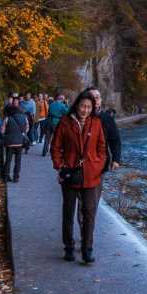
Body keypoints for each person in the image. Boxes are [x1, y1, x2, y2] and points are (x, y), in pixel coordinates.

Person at [50, 93, 106, 264]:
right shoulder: (65, 123)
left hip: (90, 174)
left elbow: (101, 146)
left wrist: (98, 164)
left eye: (89, 108)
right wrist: (60, 165)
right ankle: (68, 246)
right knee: (68, 212)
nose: (85, 110)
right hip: (70, 172)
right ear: (76, 105)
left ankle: (87, 249)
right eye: (83, 106)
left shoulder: (95, 123)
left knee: (89, 212)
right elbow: (55, 146)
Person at [77, 88, 121, 228]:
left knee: (93, 199)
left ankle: (88, 228)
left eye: (98, 97)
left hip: (99, 166)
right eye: (93, 97)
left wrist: (116, 159)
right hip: (79, 164)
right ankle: (84, 227)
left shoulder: (107, 119)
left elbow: (115, 140)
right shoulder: (79, 117)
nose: (96, 100)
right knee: (81, 198)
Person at [1, 104, 29, 183]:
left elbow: (2, 130)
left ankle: (6, 176)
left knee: (8, 159)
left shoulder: (7, 119)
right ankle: (16, 176)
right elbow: (27, 129)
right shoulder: (24, 118)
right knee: (18, 160)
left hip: (9, 142)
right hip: (19, 142)